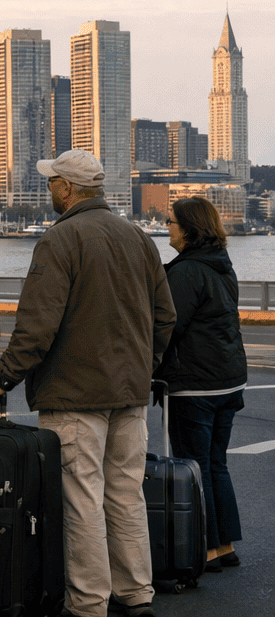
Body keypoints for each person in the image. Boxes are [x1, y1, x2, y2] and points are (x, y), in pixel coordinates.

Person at [0, 149, 176, 617]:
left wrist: (2, 379)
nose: (49, 190)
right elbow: (165, 317)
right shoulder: (139, 238)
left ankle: (88, 603)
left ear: (66, 188)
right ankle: (136, 593)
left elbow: (37, 326)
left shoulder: (60, 240)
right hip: (129, 394)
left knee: (82, 500)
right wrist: (143, 366)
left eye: (51, 183)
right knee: (126, 494)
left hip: (74, 396)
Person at [154, 196, 247, 572]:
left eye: (171, 222)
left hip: (195, 385)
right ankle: (224, 544)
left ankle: (205, 548)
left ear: (189, 230)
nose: (167, 227)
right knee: (215, 463)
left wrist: (149, 368)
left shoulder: (187, 272)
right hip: (228, 380)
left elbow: (167, 327)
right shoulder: (222, 266)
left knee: (195, 466)